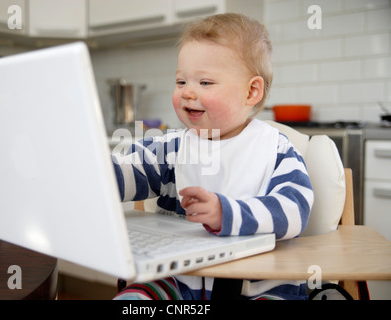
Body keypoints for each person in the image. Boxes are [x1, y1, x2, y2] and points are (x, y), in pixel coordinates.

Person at [111, 13, 314, 300]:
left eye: (205, 82)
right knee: (137, 298)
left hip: (257, 285)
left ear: (251, 91)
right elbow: (127, 171)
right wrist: (91, 173)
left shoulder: (277, 150)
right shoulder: (172, 148)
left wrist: (226, 213)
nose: (188, 93)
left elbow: (294, 210)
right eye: (181, 82)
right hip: (182, 283)